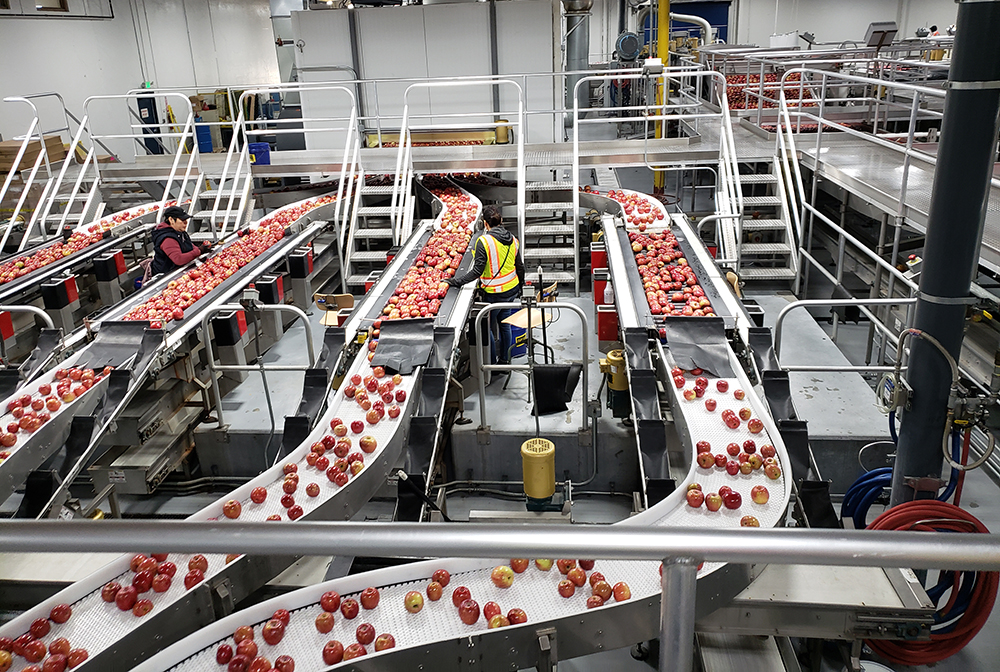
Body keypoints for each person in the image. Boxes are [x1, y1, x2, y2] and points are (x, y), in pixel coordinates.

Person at [446, 204, 525, 365]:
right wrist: (521, 287)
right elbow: (520, 266)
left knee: (486, 326)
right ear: (501, 221)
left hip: (494, 293)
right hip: (511, 290)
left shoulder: (484, 241)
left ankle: (491, 364)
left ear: (485, 223)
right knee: (505, 324)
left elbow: (477, 271)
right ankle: (505, 361)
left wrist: (455, 282)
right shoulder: (513, 239)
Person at [150, 206, 211, 276]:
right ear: (171, 220)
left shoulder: (180, 232)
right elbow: (179, 259)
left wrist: (201, 249)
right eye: (182, 220)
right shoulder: (167, 238)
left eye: (186, 219)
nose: (186, 222)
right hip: (166, 275)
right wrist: (199, 251)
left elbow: (191, 246)